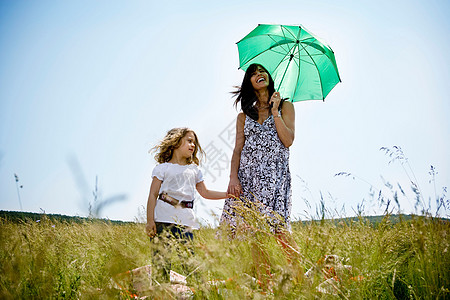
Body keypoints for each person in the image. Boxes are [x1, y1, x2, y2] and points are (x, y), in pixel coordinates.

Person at [220, 63, 301, 285]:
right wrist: (233, 178)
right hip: (248, 179)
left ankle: (302, 283)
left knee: (279, 230)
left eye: (262, 71)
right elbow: (238, 149)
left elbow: (288, 140)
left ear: (269, 77)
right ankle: (265, 285)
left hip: (275, 177)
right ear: (249, 83)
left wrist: (275, 112)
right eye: (254, 73)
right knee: (254, 232)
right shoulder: (243, 116)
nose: (259, 74)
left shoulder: (286, 106)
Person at [146, 127, 228, 280]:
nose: (193, 146)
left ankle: (199, 293)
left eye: (194, 143)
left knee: (190, 264)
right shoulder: (162, 168)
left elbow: (205, 192)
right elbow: (153, 194)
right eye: (189, 141)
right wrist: (150, 221)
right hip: (162, 221)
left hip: (185, 223)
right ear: (176, 143)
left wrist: (228, 195)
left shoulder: (195, 170)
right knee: (161, 265)